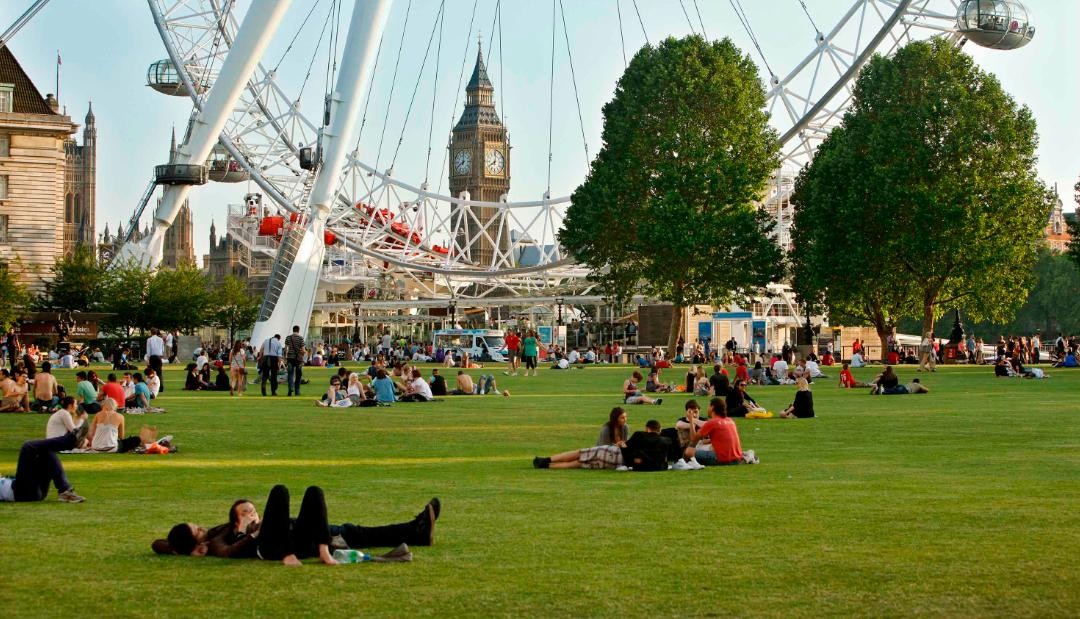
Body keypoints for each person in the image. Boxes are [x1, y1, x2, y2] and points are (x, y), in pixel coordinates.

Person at [152, 485, 440, 564]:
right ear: (197, 546)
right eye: (197, 529)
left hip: (294, 532)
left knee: (353, 530)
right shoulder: (214, 544)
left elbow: (160, 544)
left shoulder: (209, 536)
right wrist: (250, 531)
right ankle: (415, 530)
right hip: (272, 545)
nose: (202, 527)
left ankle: (416, 531)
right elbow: (231, 552)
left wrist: (246, 517)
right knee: (279, 492)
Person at [0, 431, 85, 503]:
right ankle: (71, 440)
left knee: (45, 450)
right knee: (27, 447)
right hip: (21, 493)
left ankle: (65, 491)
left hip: (35, 490)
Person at [686, 397, 758, 466]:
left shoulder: (712, 422)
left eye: (709, 406)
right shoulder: (730, 420)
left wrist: (691, 420)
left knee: (688, 451)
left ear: (712, 407)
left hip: (722, 458)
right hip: (737, 458)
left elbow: (693, 439)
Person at [284, 325, 305, 397]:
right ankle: (297, 391)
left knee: (290, 374)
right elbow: (303, 349)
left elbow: (286, 349)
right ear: (298, 330)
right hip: (298, 360)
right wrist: (303, 354)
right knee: (298, 375)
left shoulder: (288, 338)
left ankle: (290, 388)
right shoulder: (301, 338)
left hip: (290, 359)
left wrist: (285, 358)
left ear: (293, 330)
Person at [146, 328, 166, 393]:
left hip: (152, 357)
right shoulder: (160, 339)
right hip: (159, 357)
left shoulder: (149, 340)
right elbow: (163, 348)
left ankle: (150, 386)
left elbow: (148, 350)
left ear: (151, 332)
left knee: (151, 372)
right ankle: (161, 387)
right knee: (159, 372)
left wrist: (148, 359)